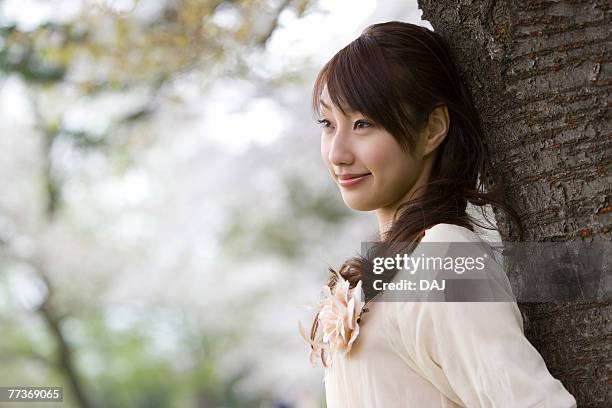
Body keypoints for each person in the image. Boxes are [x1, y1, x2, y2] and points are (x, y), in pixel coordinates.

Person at [300, 21, 577, 407]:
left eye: (363, 123)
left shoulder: (445, 257)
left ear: (432, 129)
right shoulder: (393, 267)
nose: (337, 154)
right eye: (329, 124)